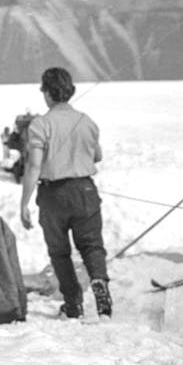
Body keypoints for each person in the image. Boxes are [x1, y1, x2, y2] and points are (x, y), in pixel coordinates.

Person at [19, 67, 111, 320]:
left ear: (47, 93)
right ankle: (100, 284)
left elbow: (34, 166)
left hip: (53, 194)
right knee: (92, 246)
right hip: (84, 190)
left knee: (59, 252)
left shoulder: (40, 124)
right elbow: (98, 155)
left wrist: (24, 203)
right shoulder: (86, 121)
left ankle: (73, 304)